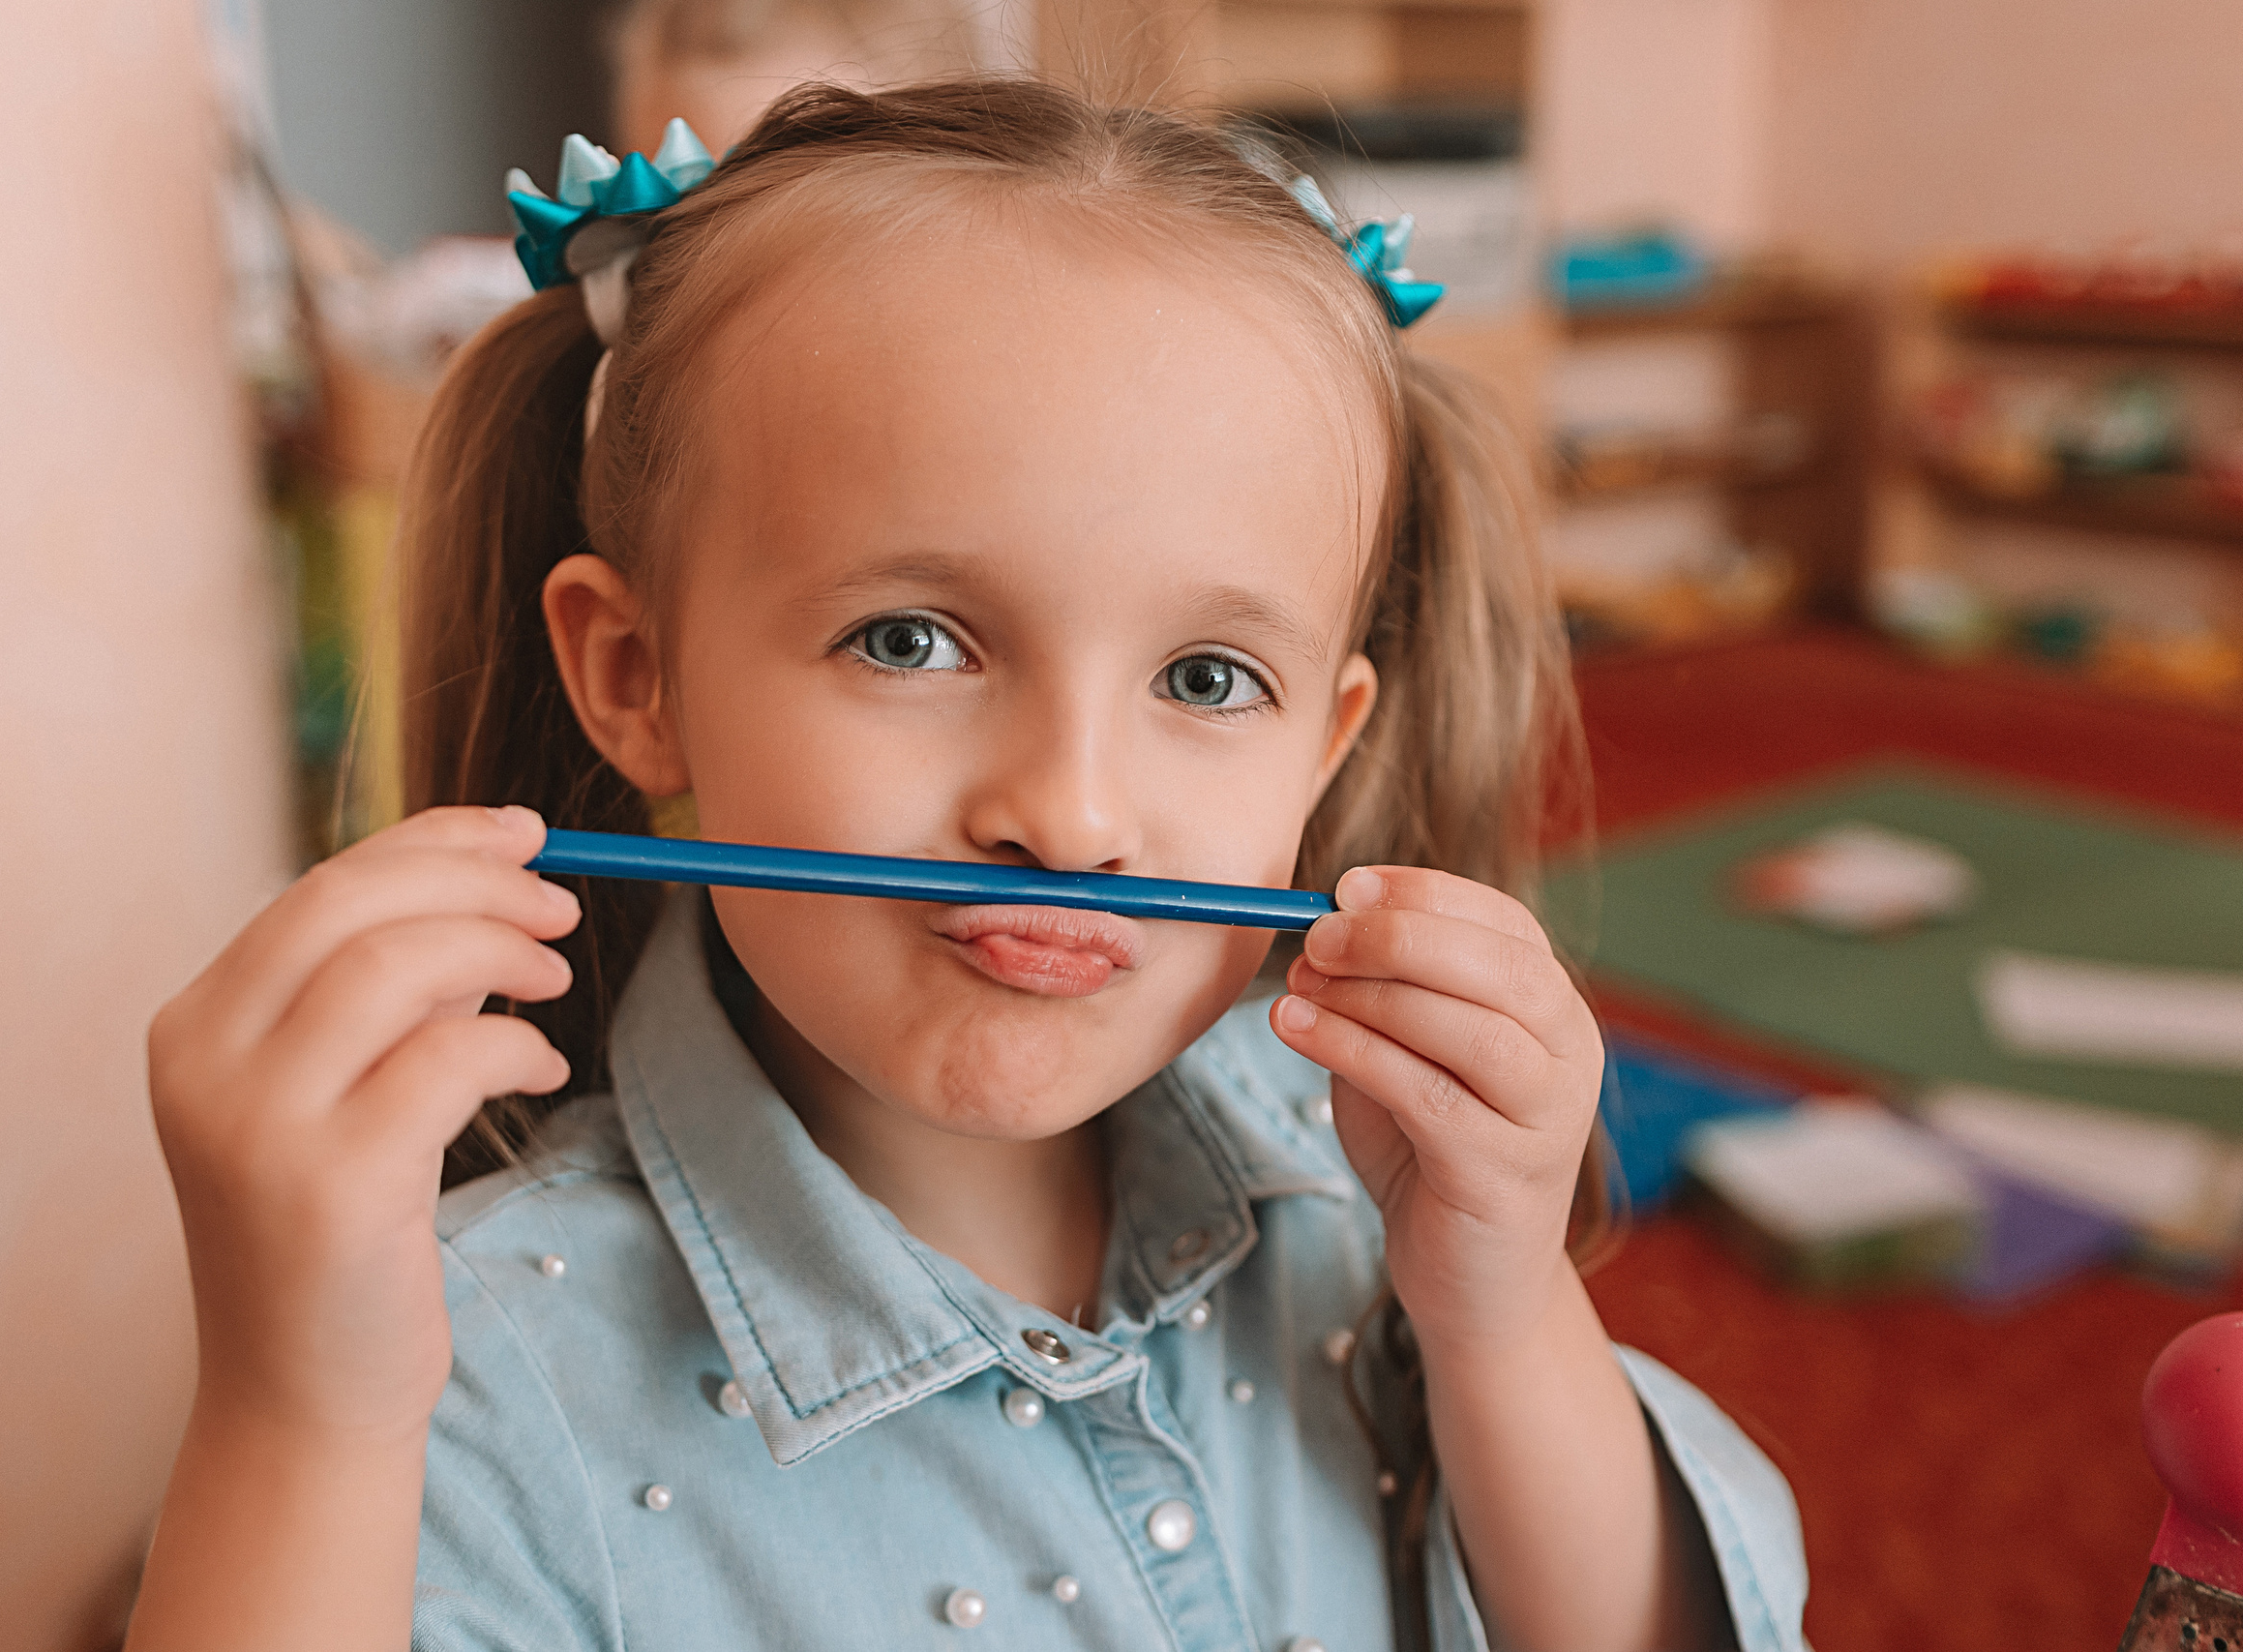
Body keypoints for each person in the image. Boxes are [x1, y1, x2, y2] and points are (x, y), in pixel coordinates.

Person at [125, 78, 1806, 1652]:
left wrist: (1501, 1312)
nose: (1069, 818)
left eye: (1207, 678)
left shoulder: (1358, 1165)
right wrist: (300, 1416)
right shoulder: (458, 1361)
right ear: (636, 678)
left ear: (1327, 744)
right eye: (910, 641)